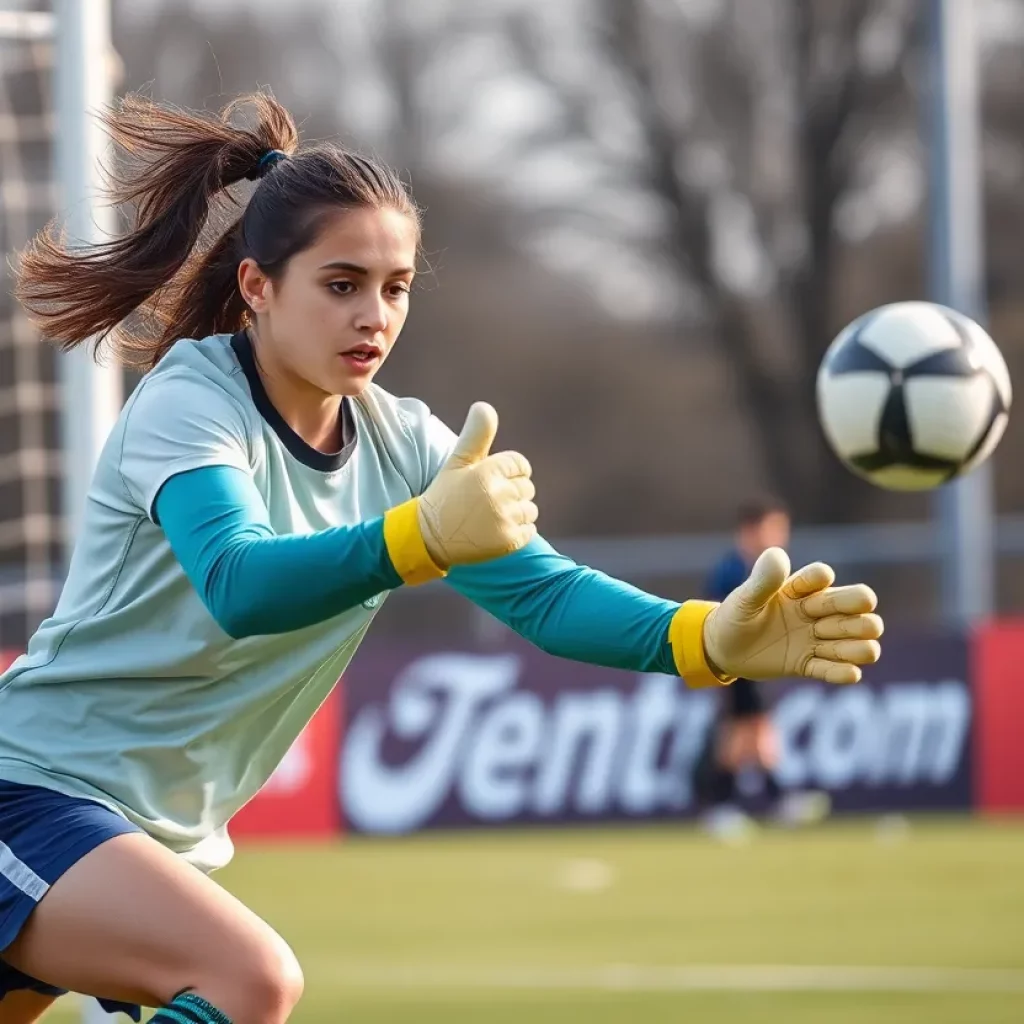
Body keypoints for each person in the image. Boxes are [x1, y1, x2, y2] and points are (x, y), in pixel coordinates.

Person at [0, 92, 883, 1024]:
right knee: (252, 982)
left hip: (132, 833)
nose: (373, 316)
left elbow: (543, 596)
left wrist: (703, 638)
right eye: (341, 284)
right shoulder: (193, 401)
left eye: (396, 286)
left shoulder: (410, 446)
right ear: (258, 287)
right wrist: (414, 539)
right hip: (31, 790)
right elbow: (237, 583)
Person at [693, 498, 831, 841]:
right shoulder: (732, 570)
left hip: (758, 662)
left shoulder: (769, 571)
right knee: (741, 734)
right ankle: (726, 806)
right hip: (735, 662)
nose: (779, 536)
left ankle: (770, 799)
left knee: (755, 731)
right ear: (751, 531)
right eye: (773, 528)